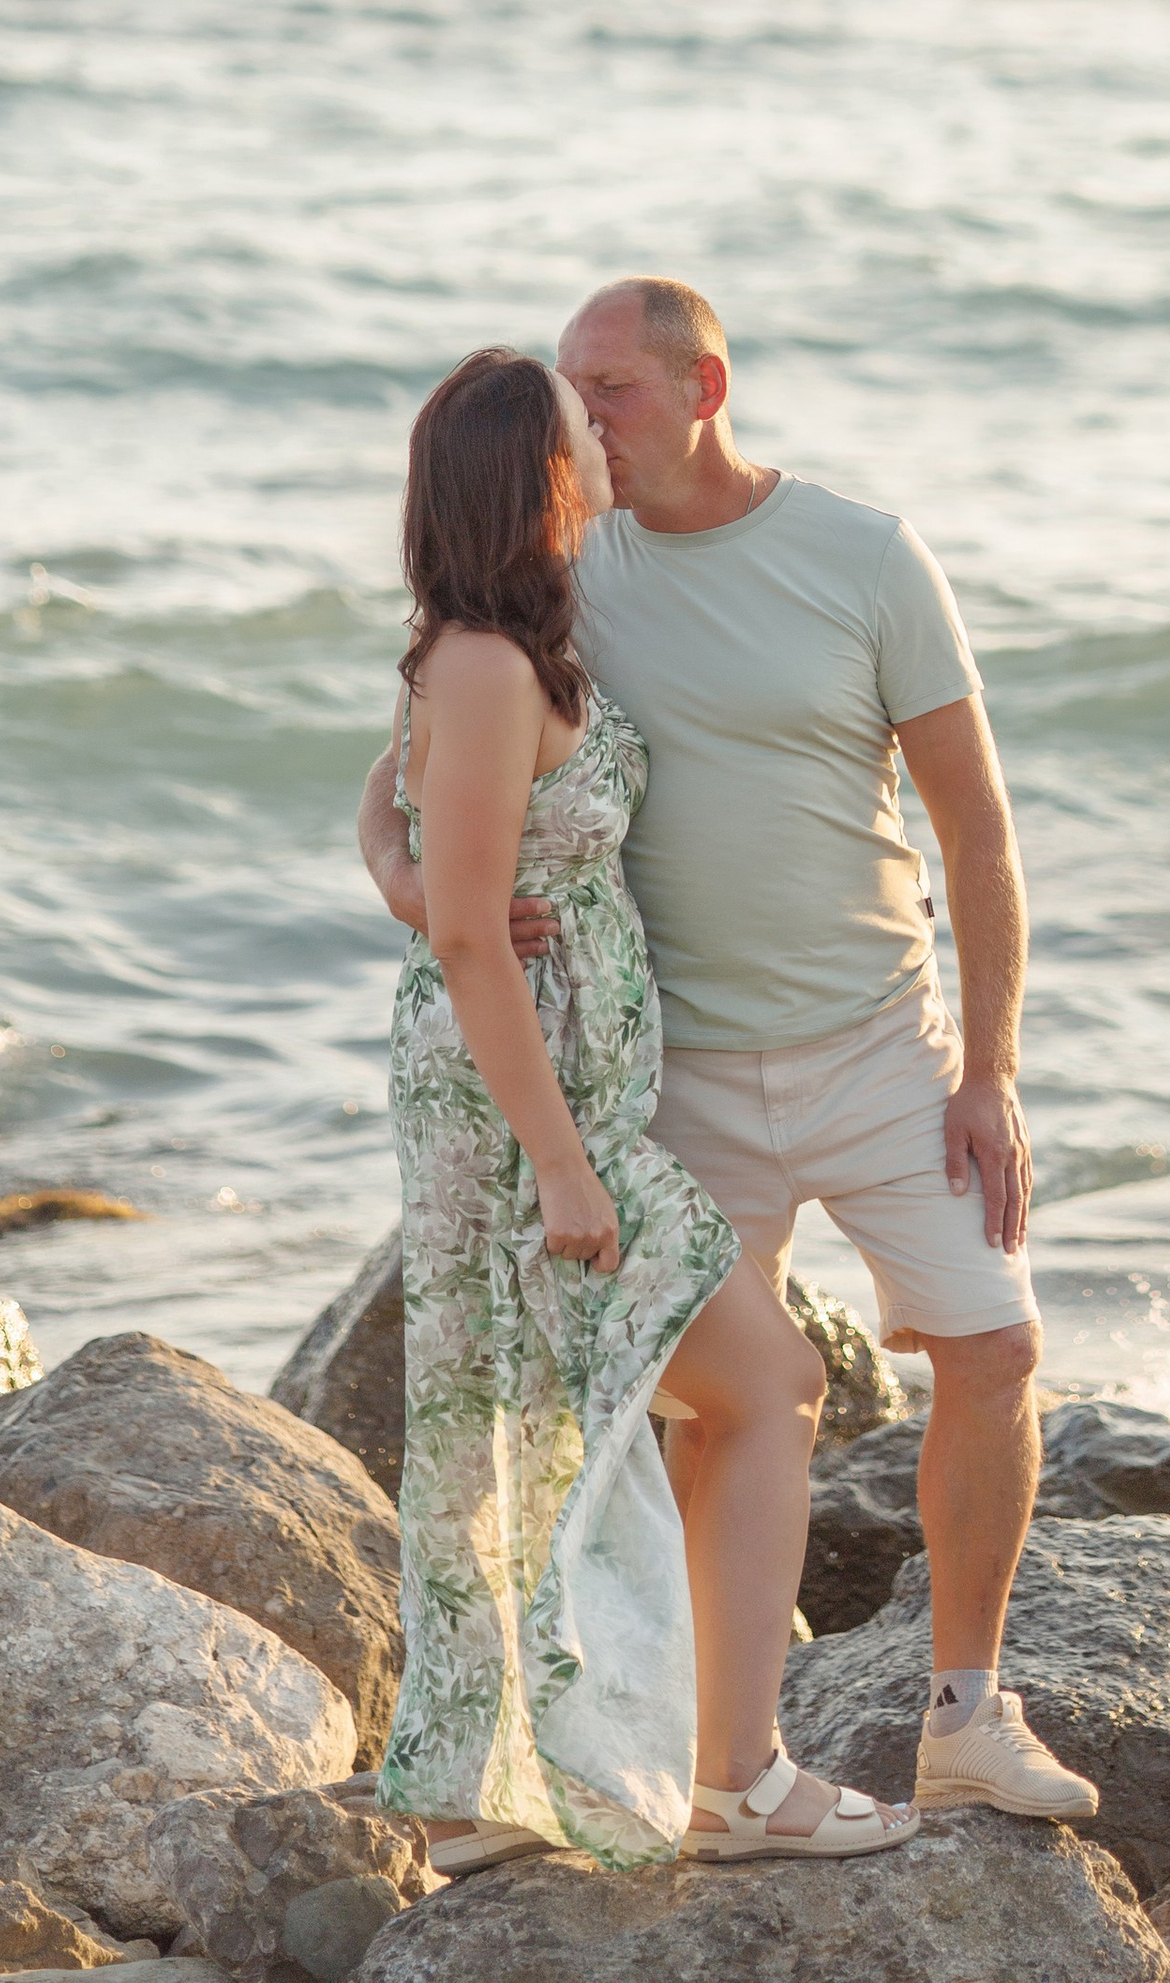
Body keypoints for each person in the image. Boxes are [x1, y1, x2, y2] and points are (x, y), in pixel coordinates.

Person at [361, 279, 1097, 1828]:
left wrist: (992, 1071)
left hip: (881, 1045)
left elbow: (977, 828)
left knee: (996, 1345)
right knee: (722, 1405)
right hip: (674, 1071)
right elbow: (415, 758)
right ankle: (714, 1768)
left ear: (707, 385)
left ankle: (964, 1711)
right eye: (570, 392)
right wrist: (421, 891)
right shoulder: (568, 569)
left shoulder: (864, 556)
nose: (587, 416)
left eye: (611, 386)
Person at [373, 344, 917, 1869]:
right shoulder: (483, 662)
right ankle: (733, 1779)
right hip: (521, 1115)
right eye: (576, 423)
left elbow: (398, 818)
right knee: (755, 1386)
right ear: (538, 475)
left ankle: (486, 1791)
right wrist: (561, 1163)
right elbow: (472, 931)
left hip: (552, 1095)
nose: (602, 435)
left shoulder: (512, 645)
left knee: (532, 1415)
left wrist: (398, 869)